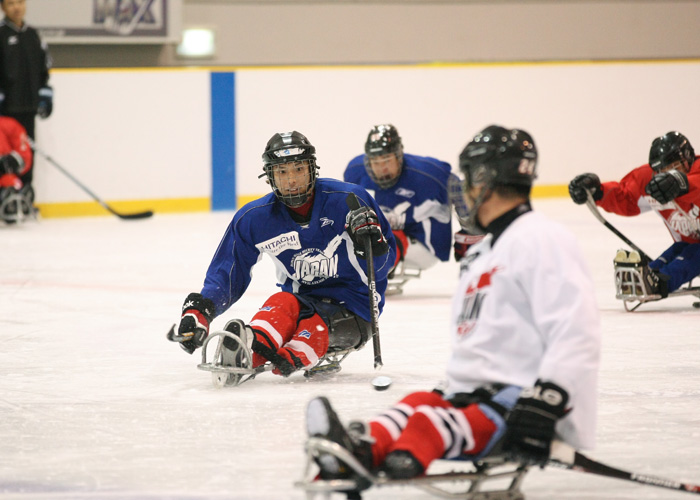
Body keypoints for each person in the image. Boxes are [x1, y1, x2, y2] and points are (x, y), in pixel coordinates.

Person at [304, 125, 601, 489]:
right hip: (477, 393)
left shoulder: (541, 238)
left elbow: (576, 331)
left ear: (486, 179)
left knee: (428, 424)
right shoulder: (485, 249)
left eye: (470, 180)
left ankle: (402, 448)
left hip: (530, 404)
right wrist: (453, 391)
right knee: (413, 405)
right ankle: (360, 447)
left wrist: (548, 400)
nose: (464, 190)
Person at [170, 131, 396, 378]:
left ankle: (287, 354)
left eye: (298, 169)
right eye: (282, 172)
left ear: (312, 169)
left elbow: (385, 266)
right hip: (302, 300)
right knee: (280, 303)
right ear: (270, 177)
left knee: (313, 329)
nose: (291, 180)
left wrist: (372, 245)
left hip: (356, 306)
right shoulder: (254, 219)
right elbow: (228, 273)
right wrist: (201, 312)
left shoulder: (350, 200)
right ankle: (248, 347)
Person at [569, 131, 700, 297]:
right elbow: (627, 197)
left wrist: (682, 183)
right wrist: (598, 193)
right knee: (683, 249)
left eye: (674, 168)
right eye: (662, 170)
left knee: (695, 253)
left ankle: (662, 282)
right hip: (691, 245)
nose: (667, 174)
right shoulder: (651, 179)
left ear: (688, 158)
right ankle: (650, 276)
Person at [344, 125, 453, 286]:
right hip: (383, 235)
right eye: (376, 162)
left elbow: (460, 189)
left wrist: (468, 234)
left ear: (399, 156)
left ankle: (375, 274)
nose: (382, 168)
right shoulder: (355, 172)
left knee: (388, 237)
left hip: (423, 246)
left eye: (387, 160)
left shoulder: (429, 175)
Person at [0, 0, 52, 192]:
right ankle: (6, 194)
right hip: (6, 112)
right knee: (5, 155)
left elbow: (43, 69)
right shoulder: (1, 34)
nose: (17, 7)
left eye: (20, 2)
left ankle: (25, 194)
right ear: (3, 7)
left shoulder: (33, 35)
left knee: (26, 153)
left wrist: (45, 94)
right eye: (11, 3)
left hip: (28, 108)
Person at [0, 114, 32, 222]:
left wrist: (16, 161)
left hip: (4, 175)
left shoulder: (9, 125)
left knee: (11, 183)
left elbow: (24, 156)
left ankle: (11, 195)